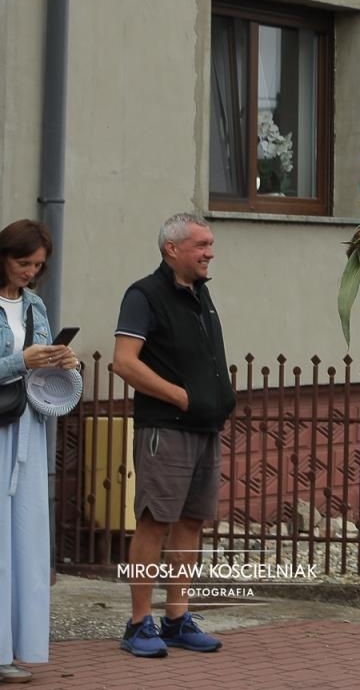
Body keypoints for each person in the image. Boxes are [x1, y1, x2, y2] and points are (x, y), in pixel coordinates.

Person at [110, 214, 234, 659]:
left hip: (204, 427)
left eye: (210, 244)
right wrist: (181, 397)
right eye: (201, 245)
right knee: (155, 521)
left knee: (191, 522)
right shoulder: (144, 295)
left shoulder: (200, 294)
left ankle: (177, 620)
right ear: (172, 249)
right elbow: (124, 362)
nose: (210, 253)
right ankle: (138, 624)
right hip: (166, 428)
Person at [0, 220, 77, 684]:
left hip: (26, 426)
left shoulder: (34, 304)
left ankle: (14, 647)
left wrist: (61, 360)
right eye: (23, 262)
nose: (30, 272)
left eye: (38, 265)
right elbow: (19, 363)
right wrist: (21, 360)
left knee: (25, 539)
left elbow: (42, 367)